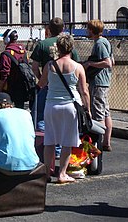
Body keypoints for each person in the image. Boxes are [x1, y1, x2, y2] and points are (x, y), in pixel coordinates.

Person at [38, 33, 91, 183]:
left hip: (51, 104)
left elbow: (42, 84)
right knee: (67, 141)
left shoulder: (50, 65)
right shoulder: (78, 67)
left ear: (58, 47)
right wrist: (88, 110)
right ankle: (62, 174)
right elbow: (84, 91)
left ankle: (47, 173)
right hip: (70, 106)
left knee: (49, 140)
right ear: (71, 47)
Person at [31, 17, 80, 128]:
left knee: (40, 116)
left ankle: (45, 140)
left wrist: (42, 79)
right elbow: (76, 65)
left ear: (48, 29)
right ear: (63, 28)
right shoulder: (69, 45)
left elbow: (34, 67)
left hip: (49, 85)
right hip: (67, 88)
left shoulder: (42, 44)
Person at [83, 19, 113, 151]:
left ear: (91, 30)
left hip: (99, 82)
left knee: (98, 113)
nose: (86, 31)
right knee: (106, 112)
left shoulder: (99, 44)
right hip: (105, 81)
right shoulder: (105, 41)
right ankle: (106, 142)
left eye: (87, 28)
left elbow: (108, 62)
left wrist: (90, 64)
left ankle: (98, 145)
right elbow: (112, 61)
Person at [0, 29, 30, 109]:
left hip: (10, 87)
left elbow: (4, 74)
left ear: (7, 38)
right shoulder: (23, 51)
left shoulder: (6, 54)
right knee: (20, 109)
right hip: (23, 85)